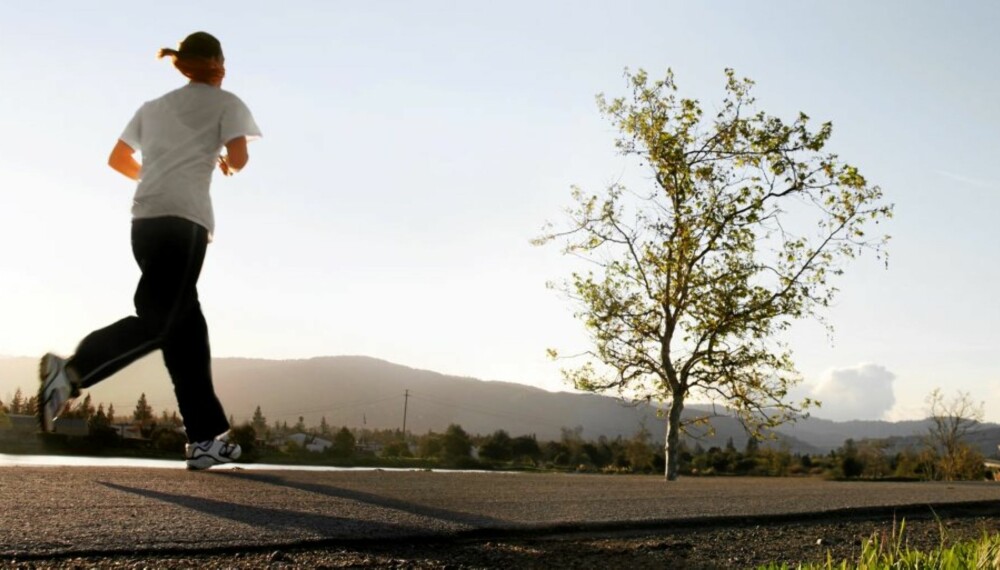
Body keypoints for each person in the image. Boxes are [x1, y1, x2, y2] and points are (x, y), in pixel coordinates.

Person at [38, 31, 262, 470]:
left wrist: (156, 177)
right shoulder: (227, 102)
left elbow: (118, 159)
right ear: (218, 63)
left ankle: (204, 439)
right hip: (185, 222)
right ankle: (71, 373)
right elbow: (238, 158)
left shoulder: (153, 107)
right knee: (161, 323)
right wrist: (223, 164)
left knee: (186, 331)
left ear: (183, 64)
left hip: (144, 222)